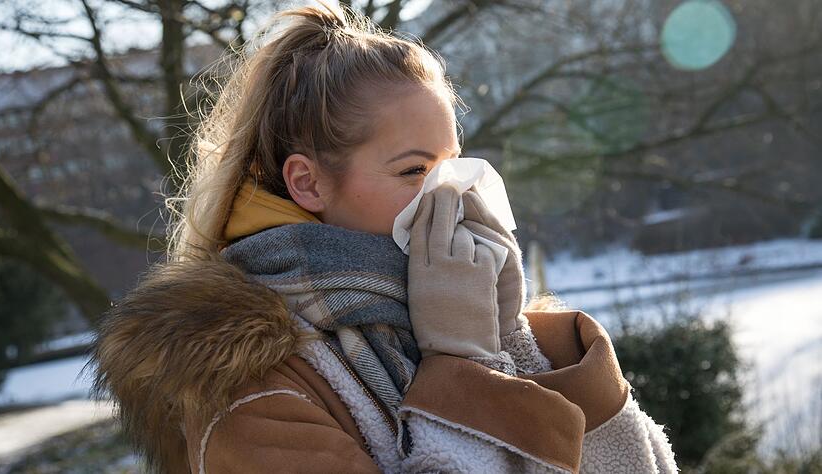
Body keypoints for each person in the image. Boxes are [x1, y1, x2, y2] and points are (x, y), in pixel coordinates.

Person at [87, 2, 679, 473]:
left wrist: (512, 340)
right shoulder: (251, 391)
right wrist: (461, 368)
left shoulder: (464, 316)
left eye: (453, 164)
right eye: (412, 170)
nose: (450, 193)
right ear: (308, 183)